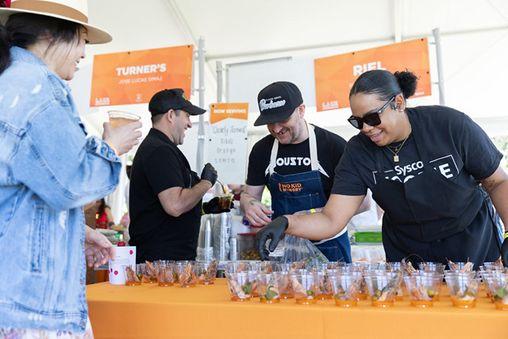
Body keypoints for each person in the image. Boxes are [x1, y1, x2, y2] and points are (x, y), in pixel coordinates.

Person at [256, 70, 508, 267]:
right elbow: (332, 218)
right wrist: (286, 223)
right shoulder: (358, 151)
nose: (366, 128)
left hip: (471, 240)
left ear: (398, 103)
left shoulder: (451, 126)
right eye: (357, 121)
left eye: (372, 118)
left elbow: (497, 181)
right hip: (408, 249)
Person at [0, 0, 142, 336]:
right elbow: (72, 183)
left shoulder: (13, 82)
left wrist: (78, 234)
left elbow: (25, 196)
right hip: (29, 306)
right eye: (81, 39)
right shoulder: (37, 88)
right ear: (50, 34)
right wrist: (112, 148)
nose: (83, 53)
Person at [241, 81, 364, 262]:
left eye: (282, 119)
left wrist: (320, 215)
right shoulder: (262, 150)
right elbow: (249, 196)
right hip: (283, 248)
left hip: (329, 248)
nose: (276, 129)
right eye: (269, 123)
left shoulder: (333, 146)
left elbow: (364, 203)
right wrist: (248, 203)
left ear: (301, 110)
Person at [129, 88, 220, 263]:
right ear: (171, 115)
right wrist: (206, 183)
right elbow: (175, 205)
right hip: (161, 265)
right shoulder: (159, 150)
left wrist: (203, 208)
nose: (189, 124)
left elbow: (159, 206)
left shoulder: (162, 148)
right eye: (187, 116)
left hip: (166, 262)